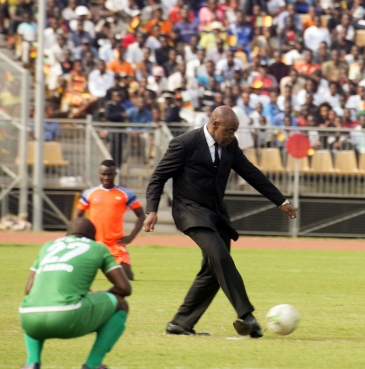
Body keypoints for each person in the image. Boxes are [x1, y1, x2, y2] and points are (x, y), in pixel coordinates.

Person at [144, 106, 297, 337]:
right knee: (220, 257)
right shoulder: (184, 143)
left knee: (213, 270)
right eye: (229, 131)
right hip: (190, 212)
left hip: (217, 215)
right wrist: (152, 209)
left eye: (235, 132)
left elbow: (251, 173)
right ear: (215, 125)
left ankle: (181, 324)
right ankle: (247, 315)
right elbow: (159, 176)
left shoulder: (230, 146)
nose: (232, 136)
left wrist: (280, 201)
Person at [19, 217, 131, 369]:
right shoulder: (97, 247)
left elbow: (28, 290)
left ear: (68, 234)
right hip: (66, 315)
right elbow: (125, 288)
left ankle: (32, 362)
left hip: (28, 318)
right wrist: (99, 295)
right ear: (93, 236)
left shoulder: (48, 246)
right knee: (120, 303)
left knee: (36, 301)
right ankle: (93, 364)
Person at [75, 160, 146, 280]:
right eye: (103, 174)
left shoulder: (126, 194)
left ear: (115, 174)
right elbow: (77, 217)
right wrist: (81, 236)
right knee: (77, 276)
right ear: (99, 174)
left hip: (115, 245)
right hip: (93, 244)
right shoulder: (89, 193)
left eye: (109, 174)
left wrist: (131, 237)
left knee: (128, 278)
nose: (106, 177)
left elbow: (141, 216)